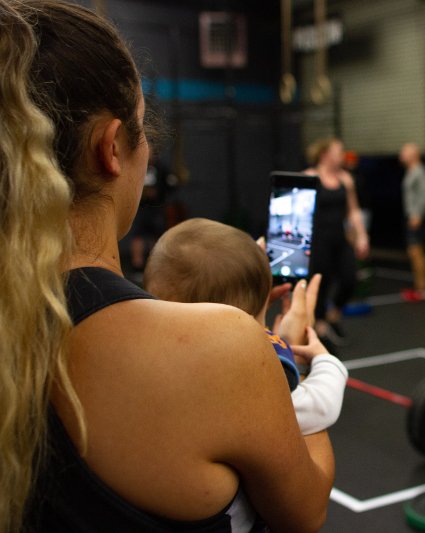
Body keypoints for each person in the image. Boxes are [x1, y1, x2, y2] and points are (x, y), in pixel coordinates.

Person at [0, 2, 334, 531]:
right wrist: (289, 358)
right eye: (142, 129)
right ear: (112, 148)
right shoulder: (225, 348)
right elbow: (306, 511)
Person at [143, 218, 348, 436]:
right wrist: (326, 361)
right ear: (245, 319)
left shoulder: (154, 361)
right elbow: (320, 406)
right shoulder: (245, 381)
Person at [305, 138, 370, 348]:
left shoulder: (345, 179)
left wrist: (361, 235)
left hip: (340, 239)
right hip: (318, 241)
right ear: (325, 154)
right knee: (320, 285)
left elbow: (353, 211)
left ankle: (334, 314)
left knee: (350, 278)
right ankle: (320, 326)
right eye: (338, 151)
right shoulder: (310, 177)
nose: (342, 156)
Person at [398, 143, 425, 302]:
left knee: (416, 251)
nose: (401, 155)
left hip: (417, 217)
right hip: (412, 215)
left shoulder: (420, 171)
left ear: (414, 154)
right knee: (414, 251)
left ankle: (423, 288)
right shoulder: (411, 171)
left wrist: (417, 214)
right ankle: (419, 287)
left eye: (404, 152)